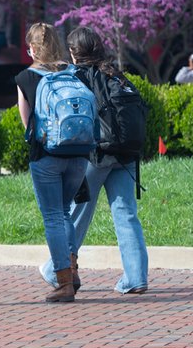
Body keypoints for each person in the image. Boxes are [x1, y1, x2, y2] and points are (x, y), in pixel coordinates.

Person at [40, 26, 149, 295]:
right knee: (126, 214)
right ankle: (136, 278)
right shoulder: (117, 76)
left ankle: (56, 270)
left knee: (76, 214)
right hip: (125, 155)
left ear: (73, 52)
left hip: (93, 155)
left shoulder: (74, 78)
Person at [15, 22, 90, 303]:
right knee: (65, 212)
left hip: (47, 156)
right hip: (79, 154)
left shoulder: (26, 77)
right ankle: (72, 269)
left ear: (33, 49)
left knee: (54, 216)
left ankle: (64, 282)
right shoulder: (76, 73)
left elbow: (27, 124)